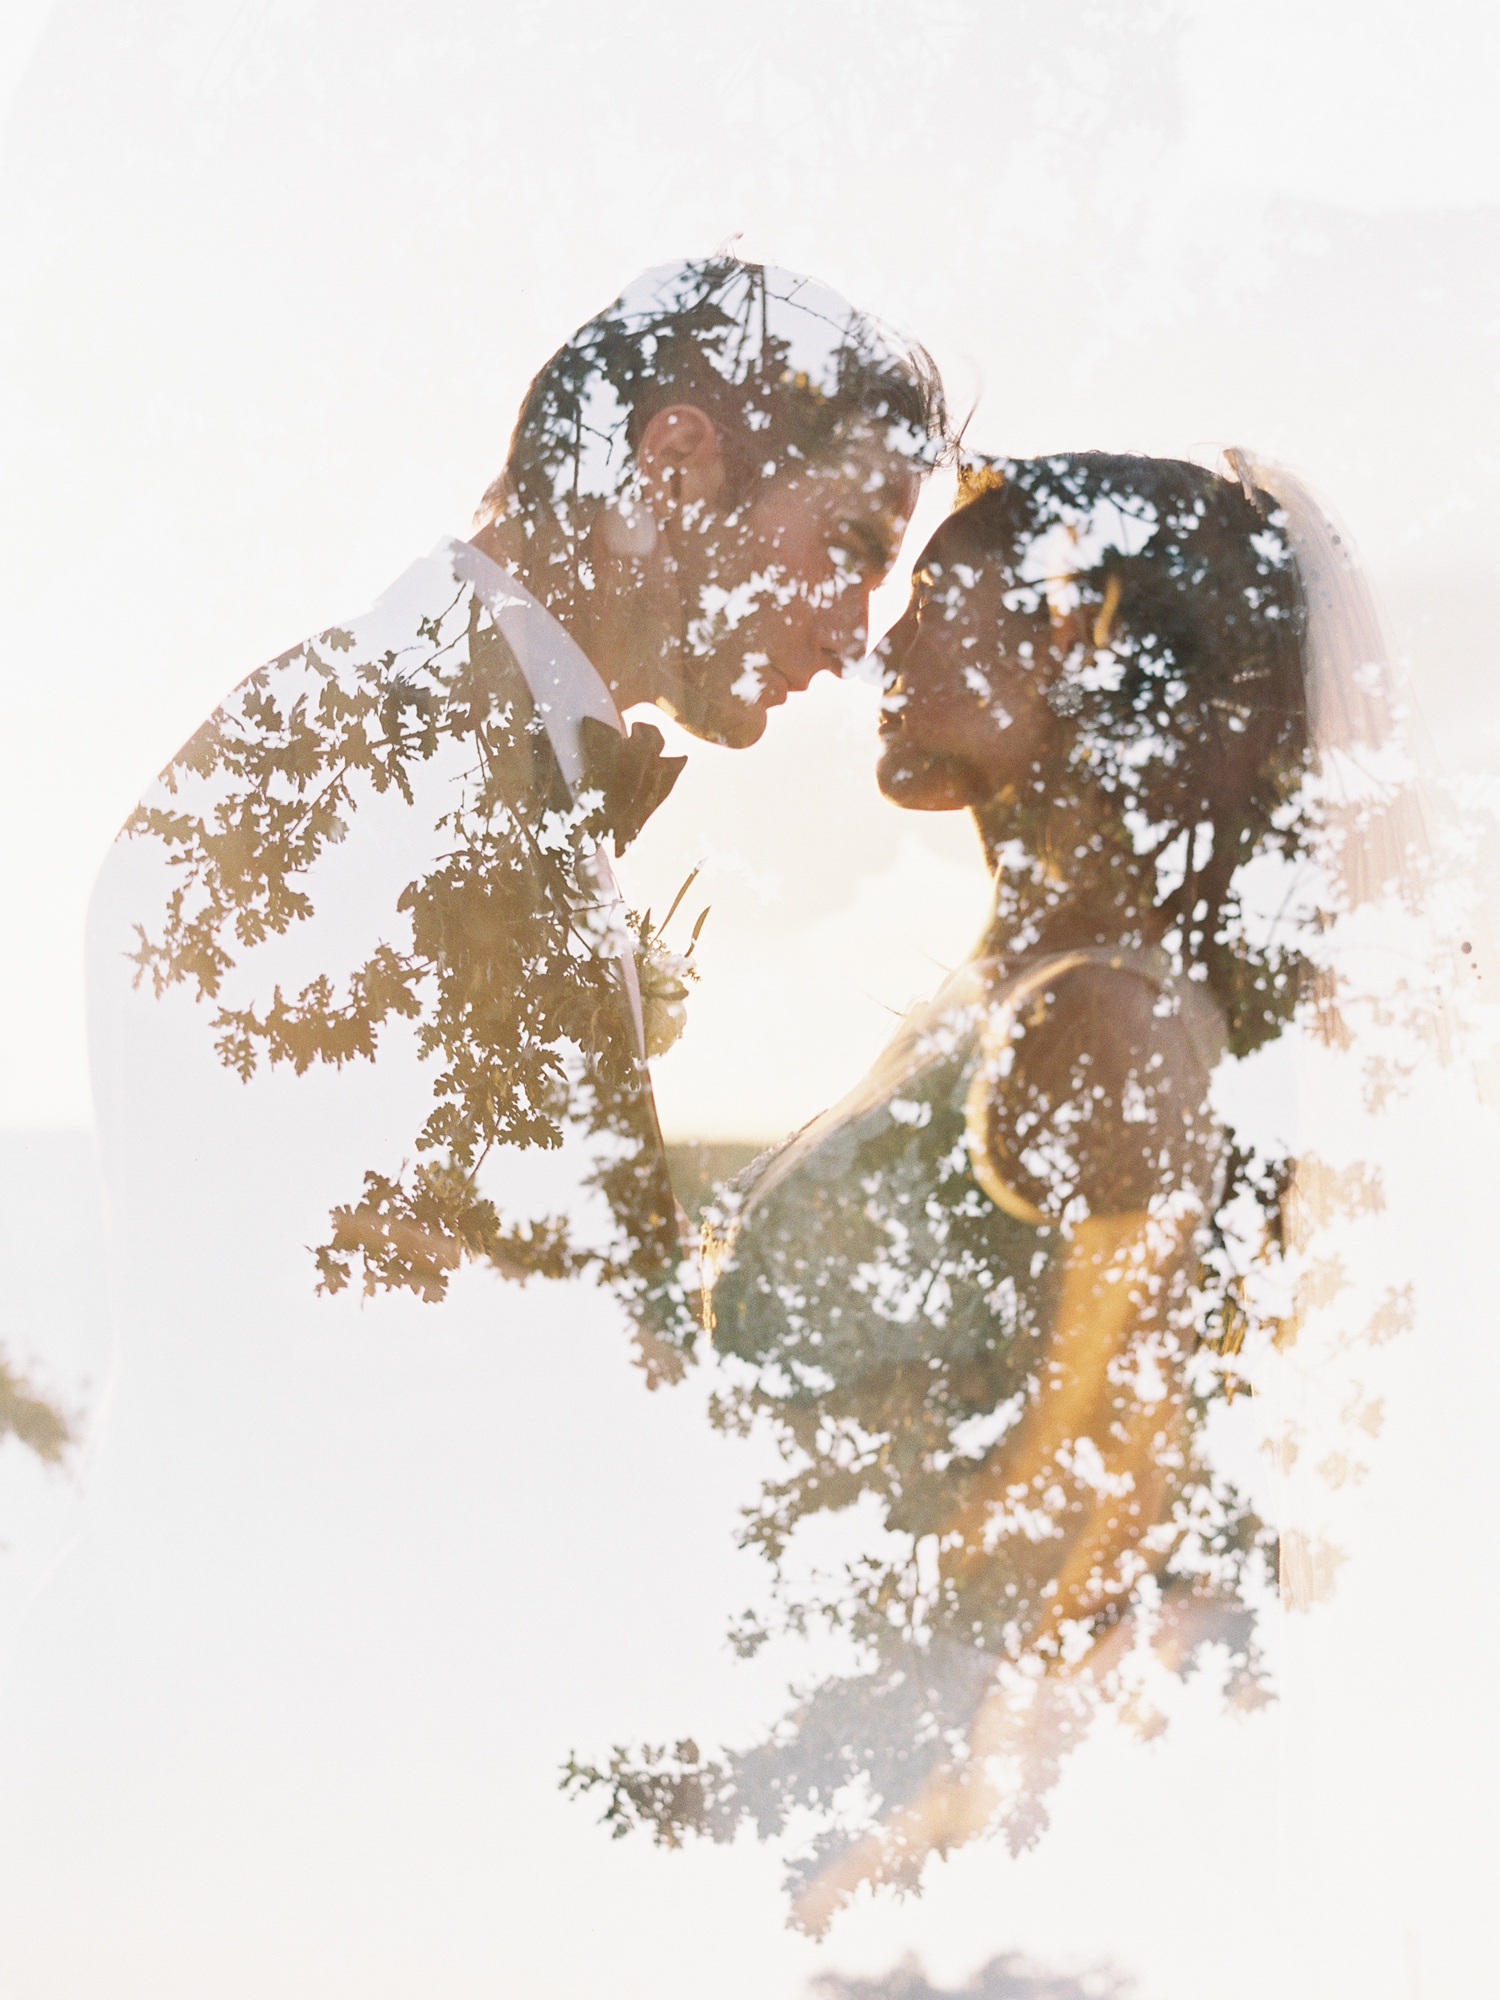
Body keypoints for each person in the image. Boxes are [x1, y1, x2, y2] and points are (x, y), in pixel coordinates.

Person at [564, 449, 1410, 1929]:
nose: (886, 634)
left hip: (881, 1819)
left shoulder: (1105, 1019)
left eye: (937, 589)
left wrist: (736, 1778)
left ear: (1075, 635)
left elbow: (1102, 1494)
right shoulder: (999, 993)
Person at [90, 255, 946, 1333]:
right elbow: (384, 1343)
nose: (852, 634)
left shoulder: (409, 731)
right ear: (674, 467)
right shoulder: (362, 762)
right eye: (849, 548)